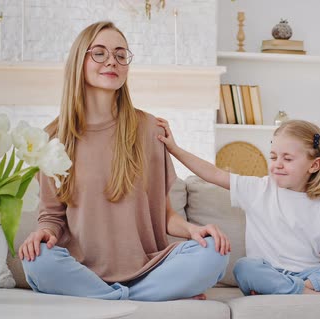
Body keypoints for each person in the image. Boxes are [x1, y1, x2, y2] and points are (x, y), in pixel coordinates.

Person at [18, 21, 230, 302]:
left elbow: (164, 213)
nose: (112, 62)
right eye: (100, 53)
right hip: (82, 270)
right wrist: (42, 234)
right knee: (36, 261)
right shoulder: (53, 138)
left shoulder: (150, 128)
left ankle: (106, 299)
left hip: (149, 268)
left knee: (213, 251)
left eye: (120, 55)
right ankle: (140, 298)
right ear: (79, 61)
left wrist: (193, 230)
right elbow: (52, 216)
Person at [156, 118, 320, 295]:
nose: (277, 164)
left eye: (288, 159)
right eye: (273, 157)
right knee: (245, 268)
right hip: (269, 271)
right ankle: (315, 292)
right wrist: (174, 149)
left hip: (311, 273)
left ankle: (302, 288)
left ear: (314, 164)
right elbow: (213, 173)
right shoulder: (258, 189)